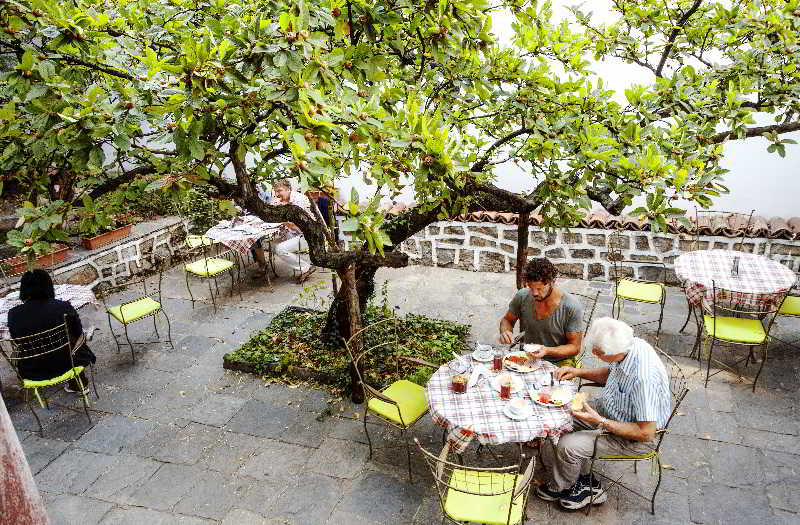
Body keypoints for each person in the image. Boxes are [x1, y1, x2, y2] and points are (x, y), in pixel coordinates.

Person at [535, 317, 672, 510]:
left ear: (612, 353)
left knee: (567, 446)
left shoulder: (644, 377)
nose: (593, 353)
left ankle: (568, 487)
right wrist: (577, 372)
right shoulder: (629, 346)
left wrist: (601, 421)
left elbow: (646, 433)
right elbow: (609, 374)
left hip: (634, 438)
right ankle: (582, 475)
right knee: (560, 415)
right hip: (611, 411)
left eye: (598, 352)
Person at [7, 270, 96, 394]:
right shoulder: (62, 307)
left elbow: (17, 341)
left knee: (28, 347)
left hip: (34, 370)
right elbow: (78, 332)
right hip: (69, 363)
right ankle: (79, 384)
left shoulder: (13, 314)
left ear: (23, 289)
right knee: (74, 340)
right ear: (48, 286)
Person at [498, 258, 584, 367]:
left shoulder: (571, 306)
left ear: (552, 282)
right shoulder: (522, 296)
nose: (534, 293)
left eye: (539, 288)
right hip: (528, 357)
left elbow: (575, 347)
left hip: (560, 362)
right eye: (530, 287)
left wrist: (547, 350)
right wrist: (505, 331)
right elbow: (507, 320)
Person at [269, 178, 317, 282]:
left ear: (288, 189)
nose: (277, 194)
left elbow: (294, 225)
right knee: (271, 246)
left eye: (279, 191)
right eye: (275, 191)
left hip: (308, 235)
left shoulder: (298, 200)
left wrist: (280, 219)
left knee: (279, 249)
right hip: (294, 233)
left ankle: (306, 267)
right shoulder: (282, 199)